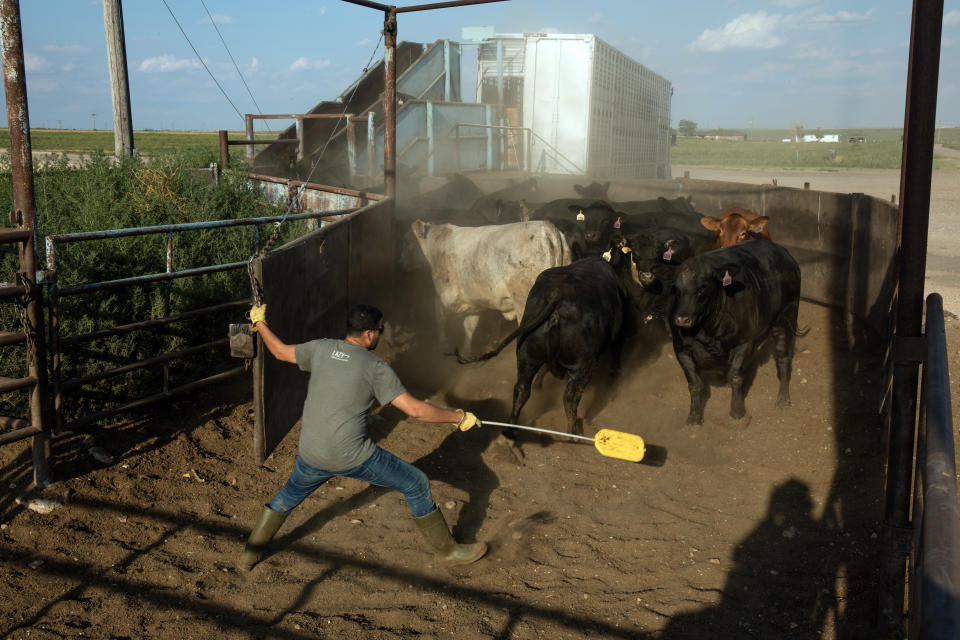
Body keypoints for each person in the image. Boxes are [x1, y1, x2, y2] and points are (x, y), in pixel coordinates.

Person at [238, 303, 486, 571]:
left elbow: (278, 351)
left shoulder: (320, 348)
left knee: (288, 496)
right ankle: (448, 552)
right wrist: (458, 418)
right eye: (380, 330)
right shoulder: (376, 368)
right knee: (416, 483)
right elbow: (415, 410)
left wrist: (259, 323)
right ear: (369, 334)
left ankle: (249, 555)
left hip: (311, 451)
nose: (380, 335)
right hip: (351, 456)